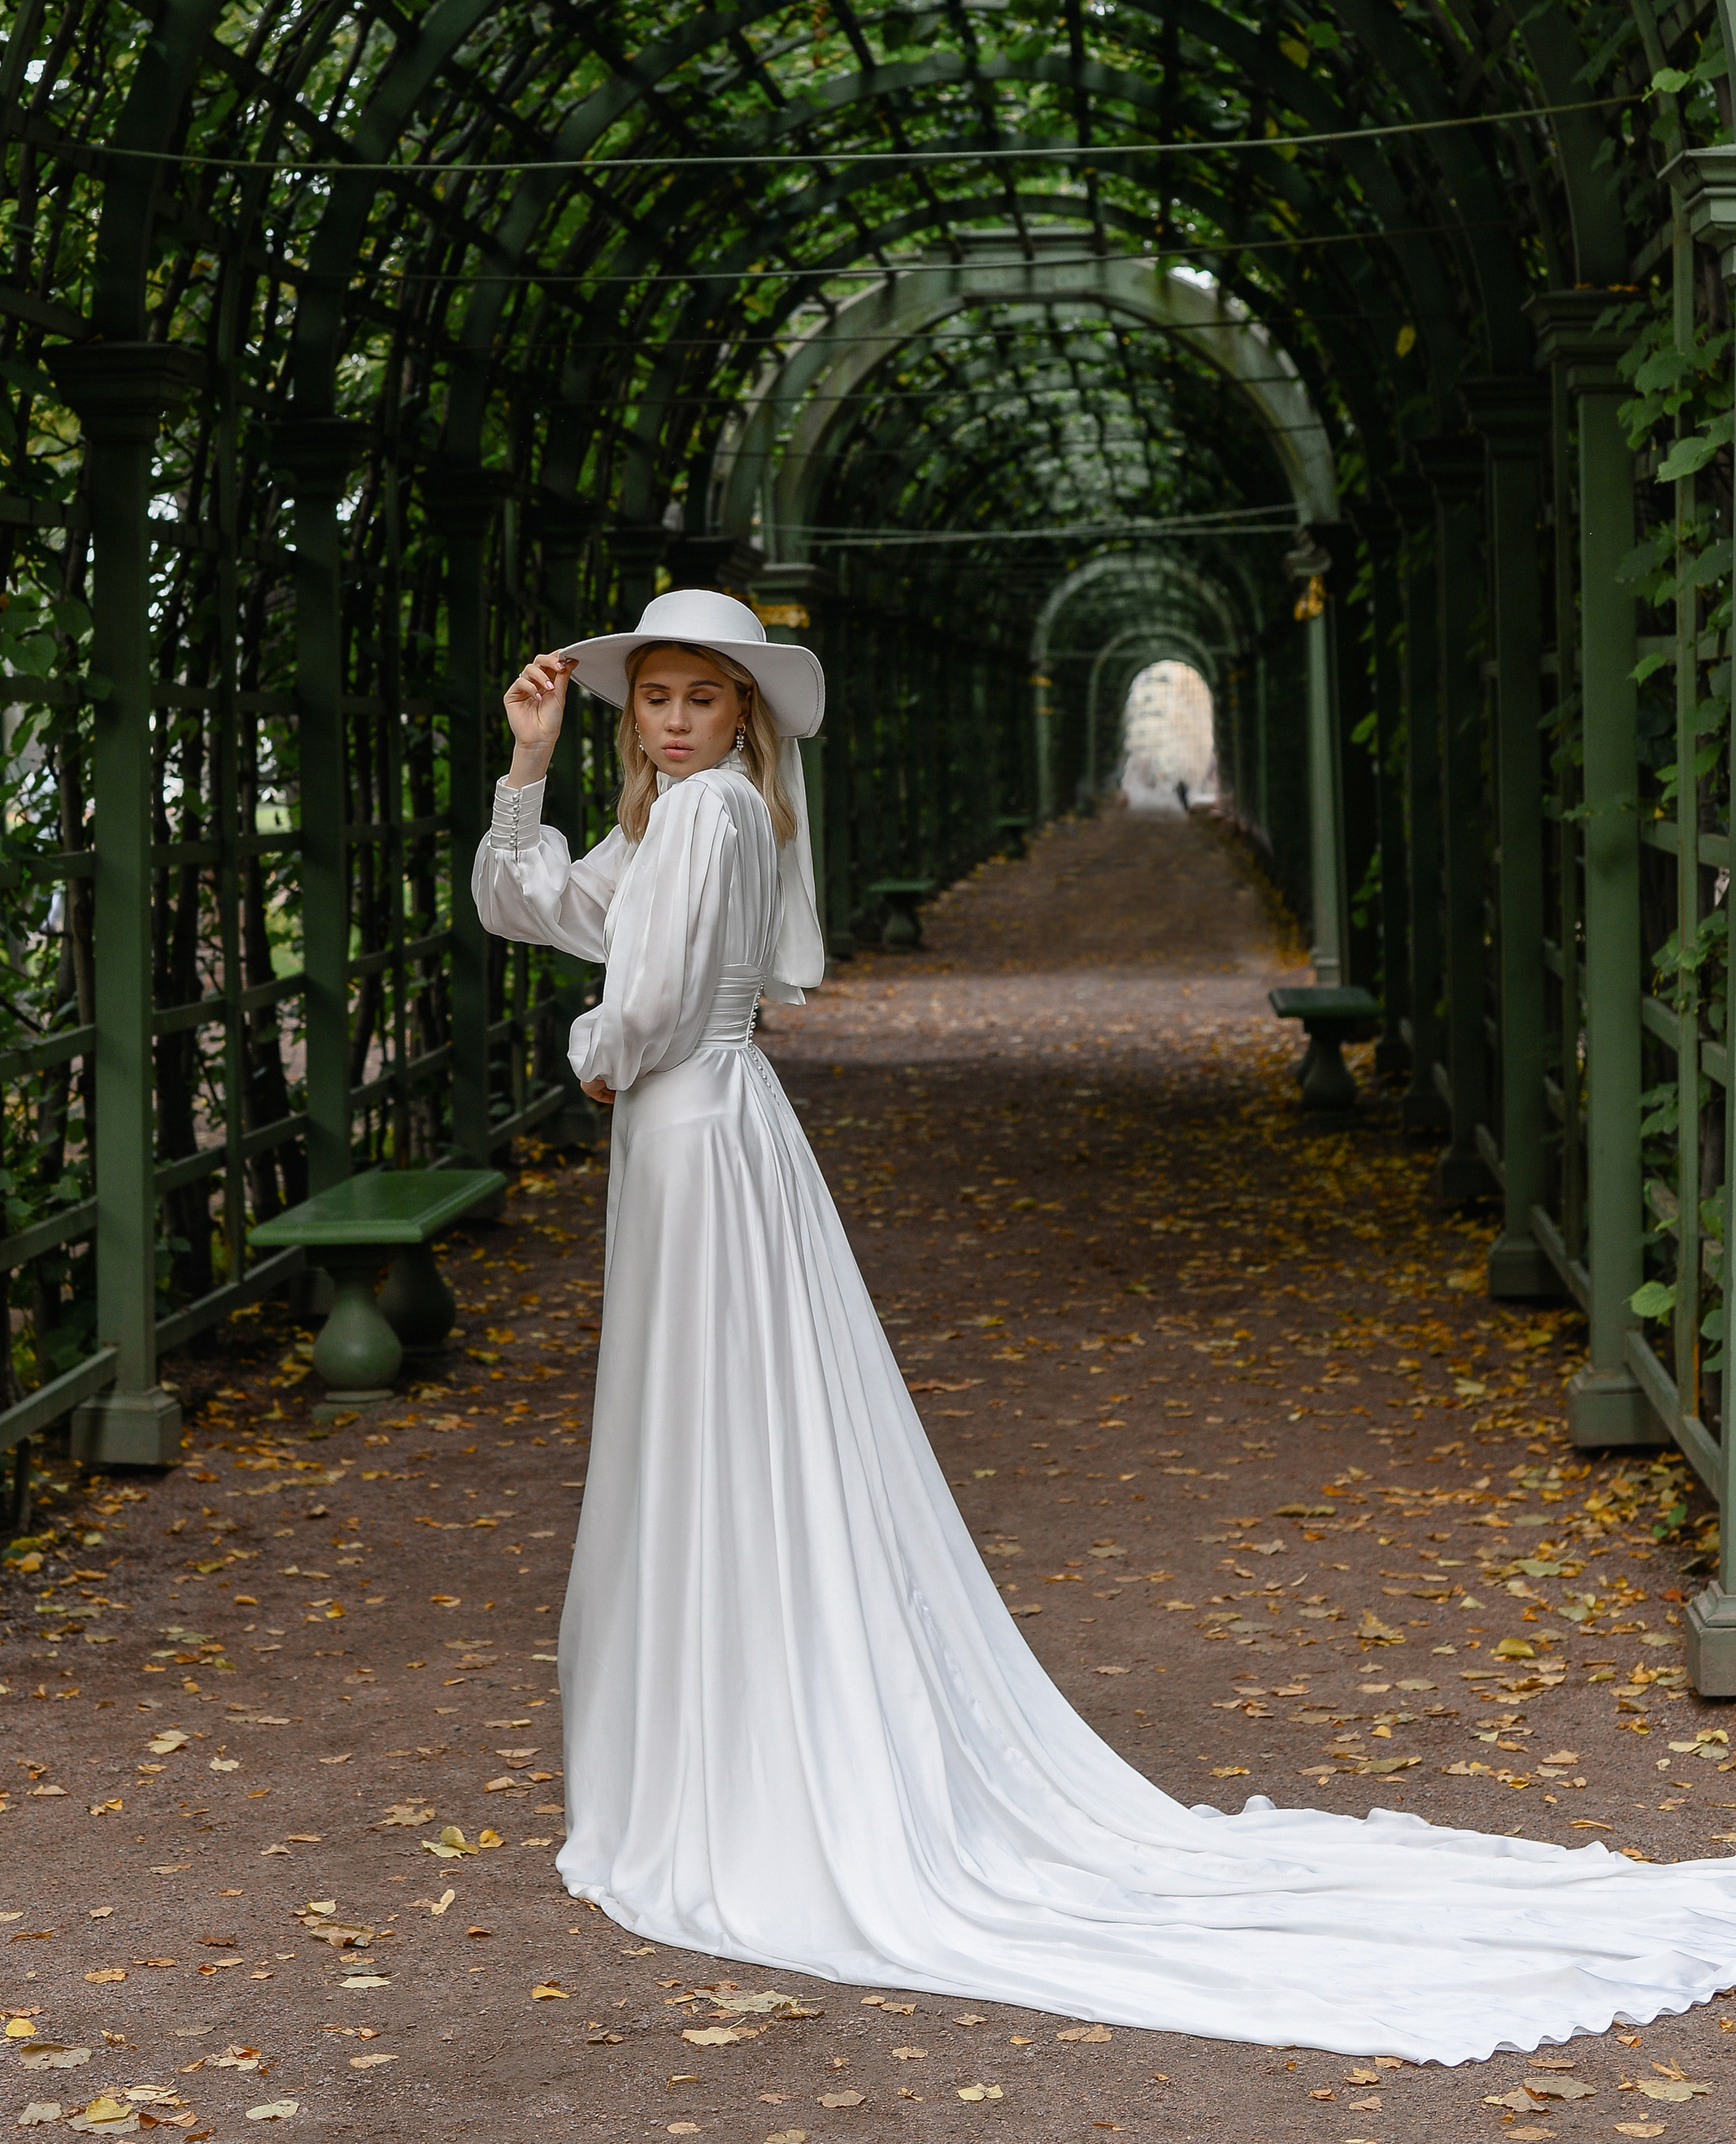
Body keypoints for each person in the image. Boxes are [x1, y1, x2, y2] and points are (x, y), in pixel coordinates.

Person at [472, 587, 1736, 2064]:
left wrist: (594, 1053)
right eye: (656, 698)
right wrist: (527, 765)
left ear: (742, 708)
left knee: (708, 1420)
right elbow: (550, 906)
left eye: (701, 696)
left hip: (693, 1130)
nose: (676, 719)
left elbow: (645, 1008)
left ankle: (727, 1740)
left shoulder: (707, 815)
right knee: (732, 1420)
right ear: (636, 714)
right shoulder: (686, 816)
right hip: (711, 1133)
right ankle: (747, 1715)